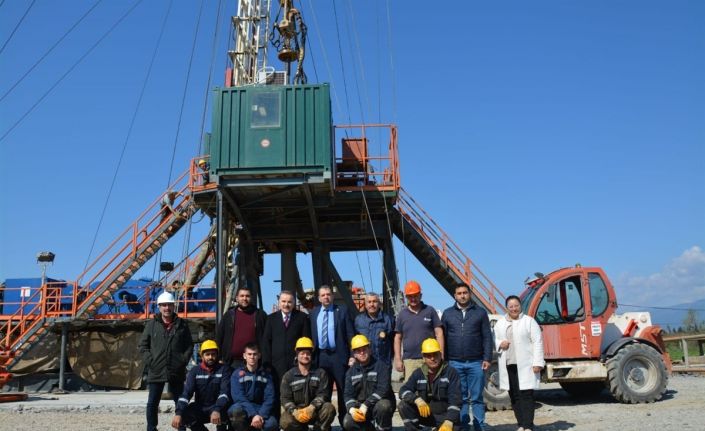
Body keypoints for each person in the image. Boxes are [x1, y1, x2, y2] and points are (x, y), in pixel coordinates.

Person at [139, 291, 194, 431]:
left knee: (180, 402)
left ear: (173, 306)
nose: (166, 308)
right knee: (152, 403)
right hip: (156, 369)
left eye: (169, 305)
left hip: (176, 369)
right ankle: (151, 428)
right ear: (159, 307)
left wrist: (182, 360)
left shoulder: (182, 325)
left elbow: (189, 345)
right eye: (163, 305)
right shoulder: (151, 325)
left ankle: (181, 428)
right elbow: (143, 346)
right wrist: (151, 361)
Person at [441, 283, 493, 431]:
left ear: (469, 294)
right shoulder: (448, 313)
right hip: (455, 362)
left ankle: (479, 426)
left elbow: (487, 337)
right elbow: (443, 337)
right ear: (455, 296)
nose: (462, 296)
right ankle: (463, 426)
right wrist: (445, 361)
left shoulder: (480, 313)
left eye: (465, 292)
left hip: (476, 362)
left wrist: (487, 358)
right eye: (459, 293)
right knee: (461, 398)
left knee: (477, 398)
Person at [494, 295, 545, 431]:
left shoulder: (529, 321)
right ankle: (521, 424)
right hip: (508, 364)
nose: (514, 309)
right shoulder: (500, 323)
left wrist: (538, 362)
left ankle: (528, 425)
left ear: (520, 306)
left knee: (526, 394)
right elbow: (495, 339)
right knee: (514, 395)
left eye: (516, 305)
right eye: (511, 306)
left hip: (526, 364)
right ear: (507, 308)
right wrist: (500, 343)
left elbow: (538, 342)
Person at [309, 285, 355, 426]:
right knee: (323, 391)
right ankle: (324, 423)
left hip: (338, 356)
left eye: (328, 294)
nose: (326, 297)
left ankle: (344, 422)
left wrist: (352, 355)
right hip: (321, 357)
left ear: (333, 296)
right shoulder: (313, 313)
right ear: (319, 298)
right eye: (323, 295)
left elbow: (350, 334)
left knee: (342, 389)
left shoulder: (342, 311)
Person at [261, 290, 311, 417]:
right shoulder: (271, 319)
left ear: (294, 303)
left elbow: (306, 341)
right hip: (275, 365)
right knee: (276, 394)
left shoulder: (302, 318)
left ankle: (298, 421)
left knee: (297, 394)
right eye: (283, 301)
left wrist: (305, 363)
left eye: (289, 302)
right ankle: (275, 421)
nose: (286, 304)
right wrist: (266, 364)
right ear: (279, 302)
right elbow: (266, 343)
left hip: (296, 365)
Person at [398, 338, 462, 431]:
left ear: (440, 354)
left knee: (454, 428)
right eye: (428, 356)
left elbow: (456, 401)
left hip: (445, 416)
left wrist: (449, 421)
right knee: (403, 405)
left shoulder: (451, 373)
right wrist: (416, 399)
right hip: (425, 415)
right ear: (423, 358)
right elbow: (403, 390)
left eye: (435, 354)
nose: (432, 358)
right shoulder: (418, 373)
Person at [172, 340, 232, 431]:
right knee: (184, 415)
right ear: (202, 355)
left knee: (231, 411)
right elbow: (186, 393)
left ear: (217, 355)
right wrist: (178, 413)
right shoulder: (195, 371)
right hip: (201, 407)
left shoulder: (224, 370)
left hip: (219, 407)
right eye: (207, 354)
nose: (210, 357)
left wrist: (217, 409)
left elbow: (224, 393)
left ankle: (222, 427)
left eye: (213, 354)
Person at [280, 337, 337, 431]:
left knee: (329, 408)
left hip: (316, 411)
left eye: (308, 353)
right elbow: (285, 399)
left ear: (311, 355)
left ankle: (318, 429)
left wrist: (312, 407)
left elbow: (324, 394)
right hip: (298, 413)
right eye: (302, 353)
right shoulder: (288, 376)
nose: (305, 356)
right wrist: (295, 412)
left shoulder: (321, 373)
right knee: (285, 420)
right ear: (297, 354)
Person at [342, 335, 395, 431]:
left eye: (364, 349)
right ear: (354, 354)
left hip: (378, 405)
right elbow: (348, 395)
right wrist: (352, 409)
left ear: (369, 350)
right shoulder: (350, 372)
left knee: (384, 406)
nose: (362, 353)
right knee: (347, 421)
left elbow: (383, 389)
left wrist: (366, 404)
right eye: (358, 351)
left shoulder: (381, 366)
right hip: (361, 408)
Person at [394, 280, 444, 379]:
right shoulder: (402, 314)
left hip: (430, 358)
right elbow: (397, 338)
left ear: (420, 295)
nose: (413, 299)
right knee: (410, 387)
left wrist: (441, 355)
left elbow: (439, 333)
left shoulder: (430, 311)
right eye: (410, 296)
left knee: (431, 386)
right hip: (410, 361)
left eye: (415, 295)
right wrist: (398, 359)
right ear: (406, 297)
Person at [228, 343, 278, 431]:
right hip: (243, 407)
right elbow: (239, 398)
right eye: (249, 354)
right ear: (244, 356)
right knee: (236, 411)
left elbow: (269, 398)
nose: (252, 357)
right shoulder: (237, 374)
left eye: (255, 354)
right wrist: (253, 414)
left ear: (259, 355)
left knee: (272, 424)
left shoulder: (266, 375)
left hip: (260, 408)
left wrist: (260, 415)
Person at [216, 286, 267, 368]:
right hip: (231, 363)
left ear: (251, 298)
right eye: (242, 296)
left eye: (247, 296)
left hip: (254, 362)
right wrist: (219, 358)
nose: (244, 298)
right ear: (237, 298)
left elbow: (266, 339)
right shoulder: (229, 315)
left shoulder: (260, 315)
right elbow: (219, 337)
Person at [353, 292, 395, 364]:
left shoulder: (388, 320)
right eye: (369, 302)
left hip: (383, 363)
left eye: (374, 301)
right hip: (365, 363)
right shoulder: (358, 320)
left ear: (379, 303)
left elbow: (393, 341)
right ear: (365, 304)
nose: (372, 304)